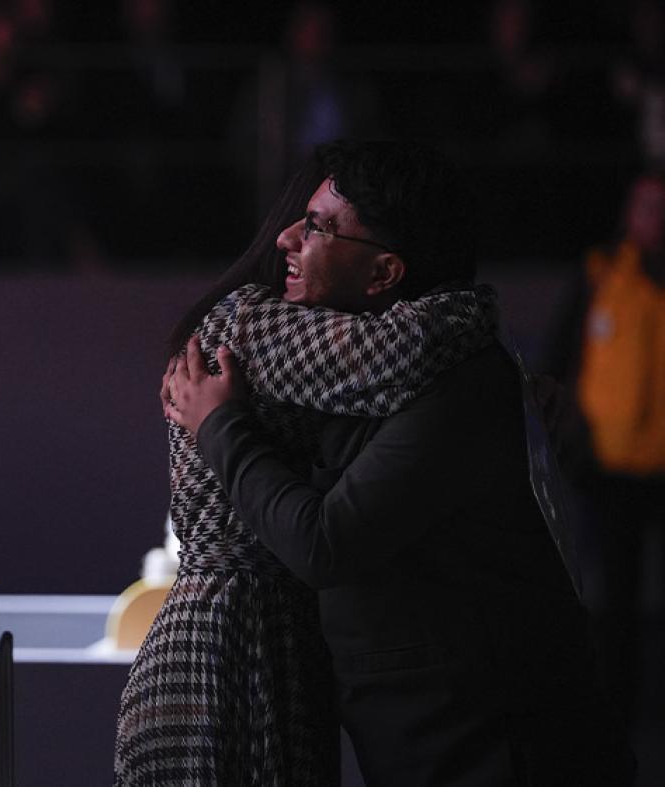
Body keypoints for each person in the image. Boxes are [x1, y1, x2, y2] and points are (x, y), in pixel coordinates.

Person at [163, 140, 633, 785]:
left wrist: (220, 426)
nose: (287, 240)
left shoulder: (458, 384)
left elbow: (324, 544)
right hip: (441, 736)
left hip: (503, 748)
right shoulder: (372, 376)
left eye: (321, 226)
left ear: (385, 273)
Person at [114, 146, 499, 785]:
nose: (297, 237)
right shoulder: (254, 325)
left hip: (263, 633)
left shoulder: (280, 321)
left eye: (319, 226)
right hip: (226, 641)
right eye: (309, 219)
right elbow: (410, 349)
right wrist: (479, 312)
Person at [546, 171, 665, 725]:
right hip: (610, 467)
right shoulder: (599, 274)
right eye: (646, 207)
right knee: (612, 597)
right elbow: (557, 360)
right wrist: (570, 438)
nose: (655, 219)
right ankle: (615, 707)